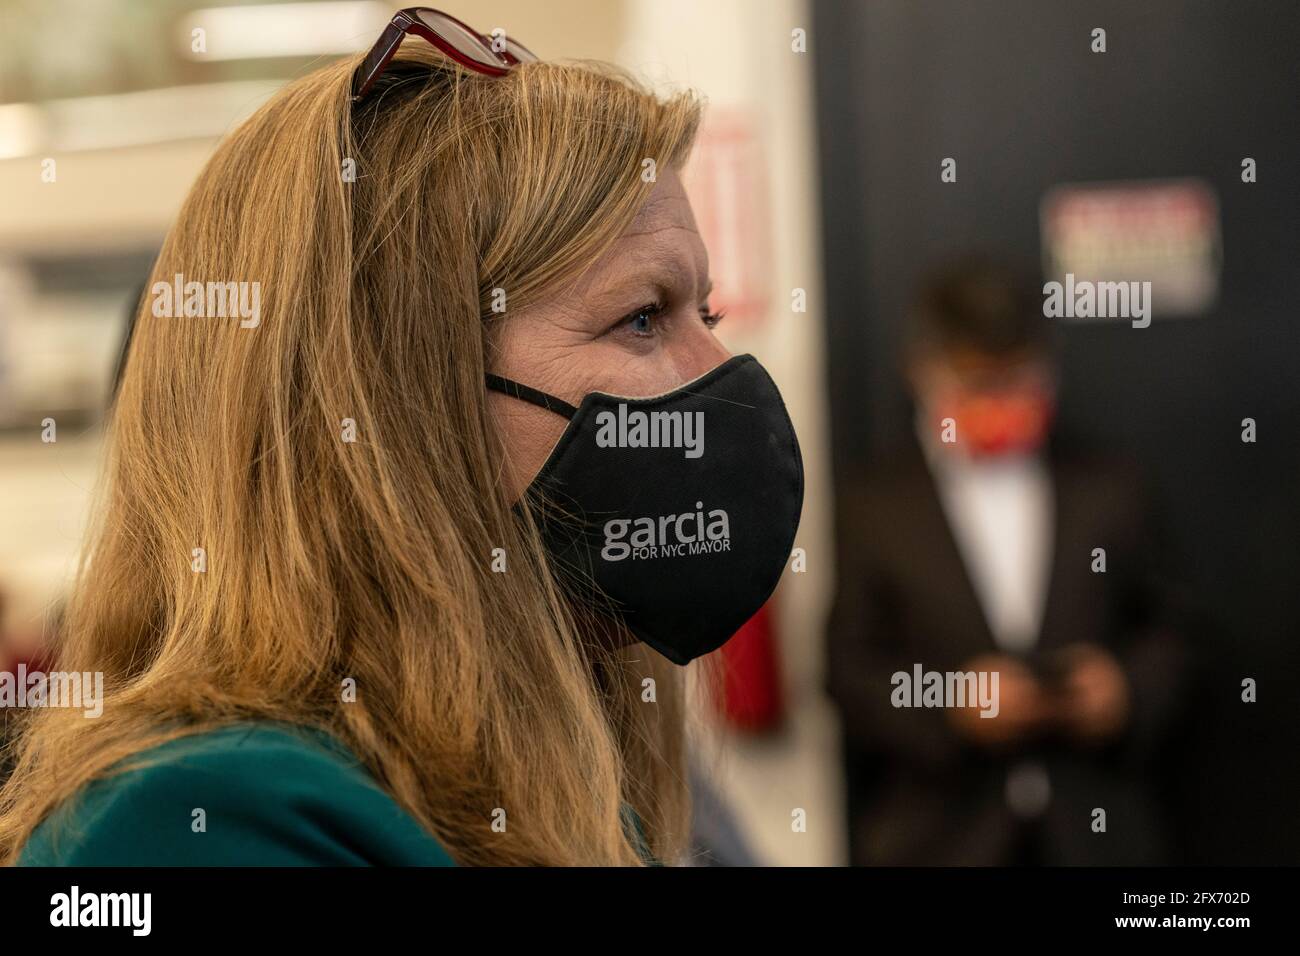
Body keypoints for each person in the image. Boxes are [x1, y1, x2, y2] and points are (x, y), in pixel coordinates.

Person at [0, 8, 803, 866]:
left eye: (705, 312)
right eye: (644, 317)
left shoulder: (560, 779)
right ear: (404, 397)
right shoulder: (196, 825)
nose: (719, 370)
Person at [826, 256, 1187, 866]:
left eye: (1018, 380)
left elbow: (1178, 632)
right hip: (939, 839)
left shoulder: (1110, 485)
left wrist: (1124, 690)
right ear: (923, 372)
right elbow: (849, 671)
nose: (999, 402)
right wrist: (951, 702)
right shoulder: (872, 505)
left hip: (1098, 835)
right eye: (976, 384)